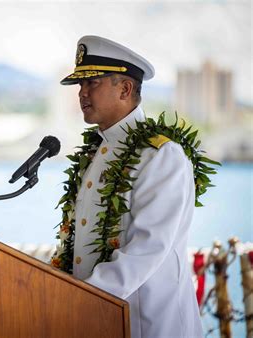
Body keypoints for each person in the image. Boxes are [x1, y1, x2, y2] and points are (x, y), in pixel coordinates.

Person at [60, 35, 203, 338]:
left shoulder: (161, 156)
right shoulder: (95, 154)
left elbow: (146, 250)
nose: (82, 93)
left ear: (125, 88)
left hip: (150, 325)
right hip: (99, 318)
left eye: (92, 83)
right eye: (80, 85)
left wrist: (74, 300)